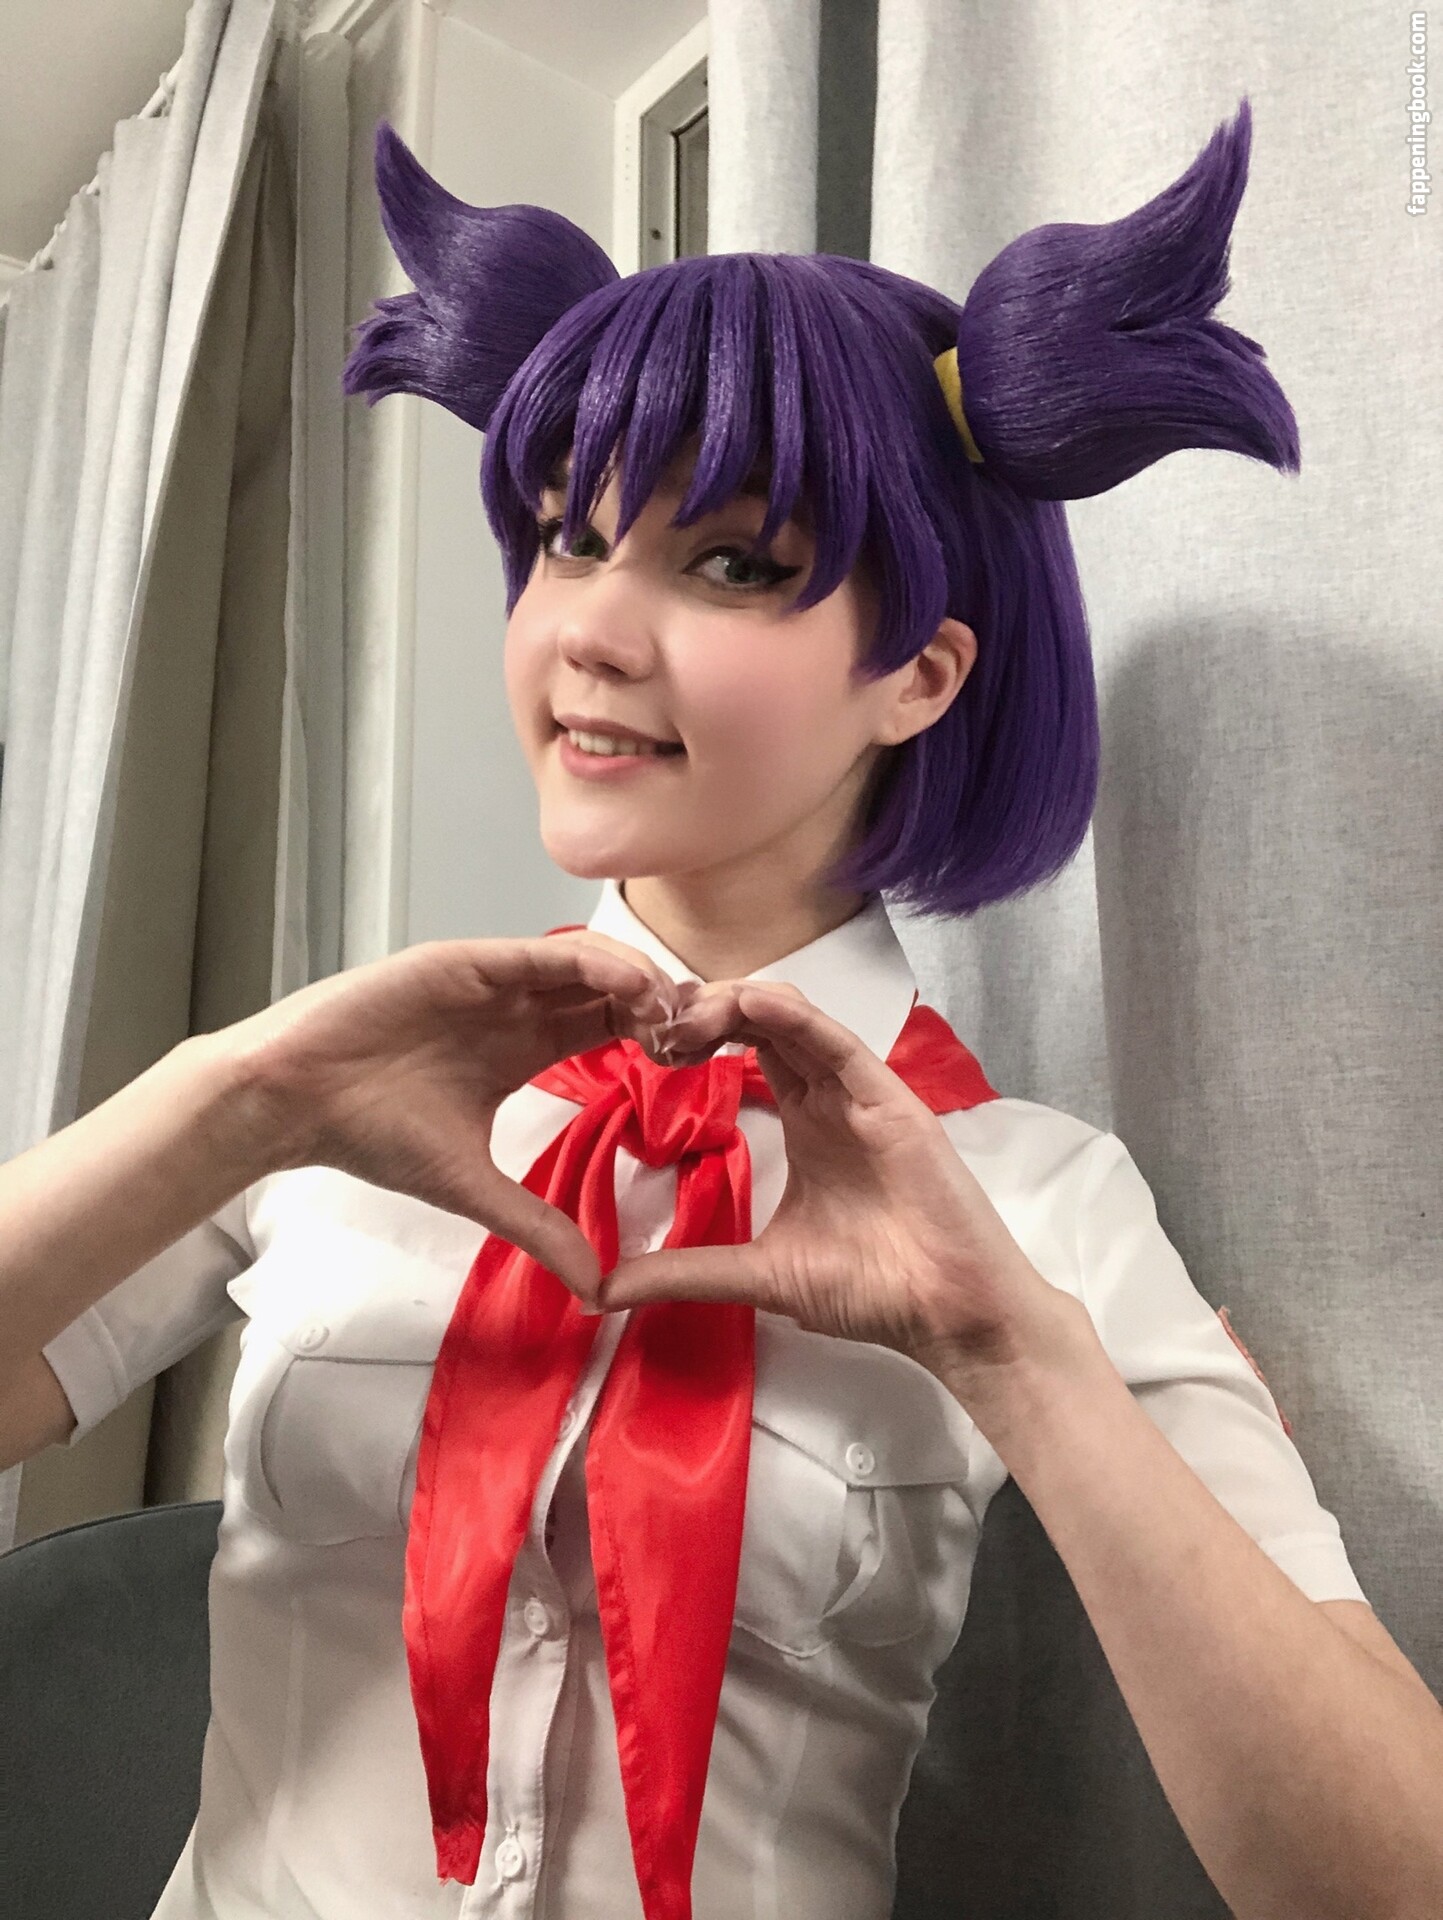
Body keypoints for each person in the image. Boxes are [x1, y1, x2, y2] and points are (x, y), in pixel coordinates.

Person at [2, 92, 1441, 1920]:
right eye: (564, 537)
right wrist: (246, 1089)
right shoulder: (339, 1091)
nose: (587, 632)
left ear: (920, 675)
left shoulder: (1043, 1204)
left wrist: (1015, 1355)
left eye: (735, 563)